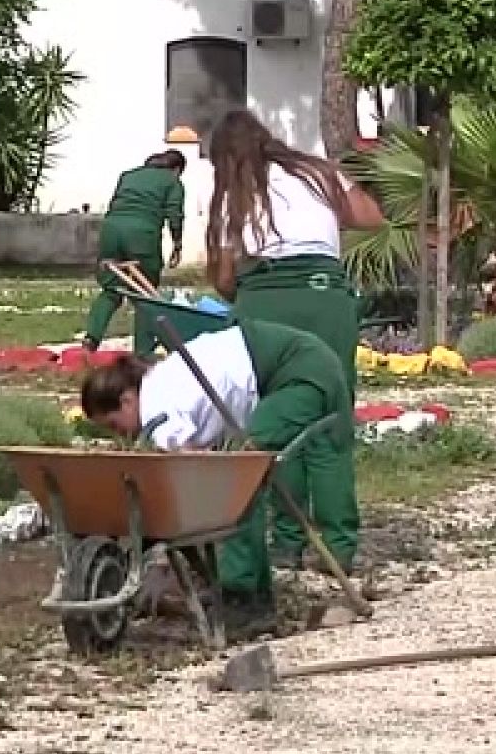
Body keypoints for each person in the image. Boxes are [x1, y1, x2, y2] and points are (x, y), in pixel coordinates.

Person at [80, 319, 355, 637]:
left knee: (238, 478)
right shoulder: (165, 381)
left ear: (127, 399)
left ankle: (244, 596)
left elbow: (182, 454)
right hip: (298, 362)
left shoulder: (156, 402)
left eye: (116, 425)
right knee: (244, 471)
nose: (123, 434)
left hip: (300, 373)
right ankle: (256, 597)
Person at [206, 109, 385, 572]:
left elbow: (224, 278)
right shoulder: (316, 173)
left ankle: (287, 540)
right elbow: (371, 216)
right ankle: (339, 547)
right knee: (329, 419)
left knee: (276, 417)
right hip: (324, 298)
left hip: (263, 305)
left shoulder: (234, 197)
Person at [83, 150, 188, 355]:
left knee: (111, 289)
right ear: (177, 169)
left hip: (111, 231)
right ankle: (143, 351)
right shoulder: (172, 181)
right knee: (145, 294)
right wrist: (177, 244)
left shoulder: (128, 175)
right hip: (142, 235)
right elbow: (175, 214)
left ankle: (90, 339)